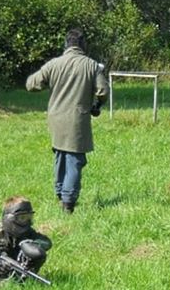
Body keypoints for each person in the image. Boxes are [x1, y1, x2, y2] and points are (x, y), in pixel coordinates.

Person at [26, 28, 108, 213]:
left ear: (66, 44)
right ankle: (68, 202)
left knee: (60, 157)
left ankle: (60, 192)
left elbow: (31, 84)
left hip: (55, 118)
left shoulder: (54, 64)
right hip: (77, 119)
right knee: (75, 160)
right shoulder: (92, 65)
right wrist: (96, 106)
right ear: (83, 45)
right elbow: (103, 91)